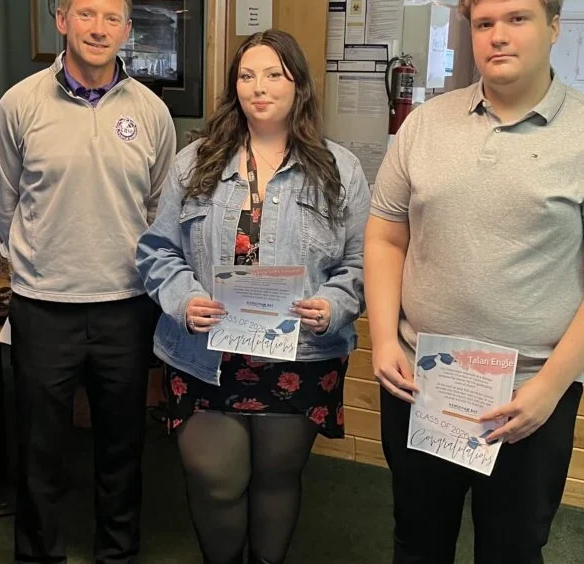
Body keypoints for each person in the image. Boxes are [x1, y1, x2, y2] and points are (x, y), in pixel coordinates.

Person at [364, 0, 584, 562]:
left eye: (517, 18)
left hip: (530, 394)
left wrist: (550, 387)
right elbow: (385, 239)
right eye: (484, 23)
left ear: (553, 27)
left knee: (512, 549)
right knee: (417, 540)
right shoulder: (424, 125)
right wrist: (381, 340)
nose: (498, 35)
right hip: (422, 381)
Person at [136, 29, 370, 564]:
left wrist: (334, 305)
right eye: (246, 76)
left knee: (276, 477)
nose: (258, 87)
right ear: (234, 86)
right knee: (215, 478)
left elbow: (360, 264)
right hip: (205, 354)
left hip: (299, 355)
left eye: (273, 75)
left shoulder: (340, 169)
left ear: (299, 85)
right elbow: (156, 251)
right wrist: (182, 299)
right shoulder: (194, 162)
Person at [0, 0, 176, 561]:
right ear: (62, 20)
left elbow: (160, 207)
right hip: (44, 306)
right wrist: (43, 255)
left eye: (112, 18)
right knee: (40, 451)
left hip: (126, 304)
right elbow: (3, 200)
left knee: (122, 449)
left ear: (127, 30)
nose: (99, 29)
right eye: (86, 14)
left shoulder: (151, 112)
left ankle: (117, 555)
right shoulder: (20, 104)